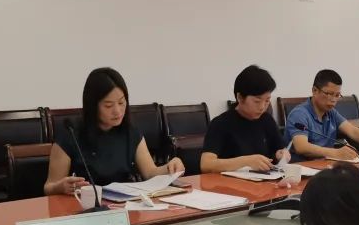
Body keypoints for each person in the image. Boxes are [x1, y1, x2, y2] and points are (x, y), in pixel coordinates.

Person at [45, 68, 184, 195]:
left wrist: (170, 167)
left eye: (121, 102)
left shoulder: (131, 132)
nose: (117, 111)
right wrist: (60, 187)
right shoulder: (70, 134)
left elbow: (150, 173)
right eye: (108, 105)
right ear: (92, 106)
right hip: (85, 207)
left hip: (124, 205)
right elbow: (48, 187)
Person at [201, 65, 288, 173]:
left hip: (265, 180)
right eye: (257, 101)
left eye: (267, 101)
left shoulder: (267, 120)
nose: (262, 107)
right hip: (229, 182)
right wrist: (246, 161)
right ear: (240, 98)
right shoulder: (220, 123)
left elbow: (279, 150)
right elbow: (206, 164)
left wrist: (281, 155)